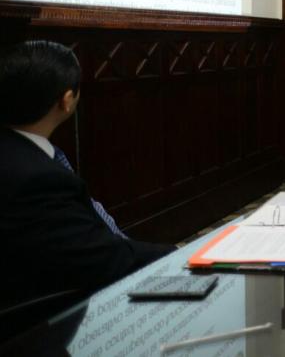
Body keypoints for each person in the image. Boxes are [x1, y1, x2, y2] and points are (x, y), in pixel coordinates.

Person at [0, 41, 174, 316]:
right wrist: (181, 256)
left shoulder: (23, 155)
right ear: (67, 101)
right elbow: (104, 258)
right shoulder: (37, 181)